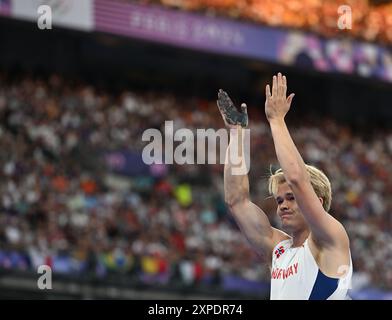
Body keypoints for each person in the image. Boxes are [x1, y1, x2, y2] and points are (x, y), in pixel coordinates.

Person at [217, 73, 352, 300]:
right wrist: (236, 133)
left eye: (290, 198)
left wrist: (277, 120)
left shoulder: (331, 237)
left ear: (317, 202)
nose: (283, 206)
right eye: (279, 200)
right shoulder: (278, 249)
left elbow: (298, 180)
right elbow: (237, 201)